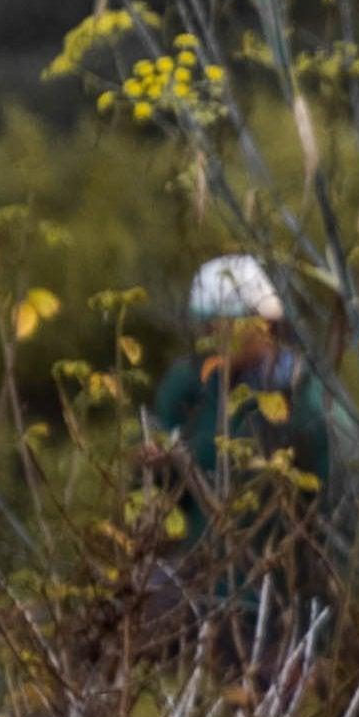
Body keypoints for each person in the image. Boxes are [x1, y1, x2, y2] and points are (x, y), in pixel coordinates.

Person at [145, 254, 335, 651]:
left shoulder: (302, 401)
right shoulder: (191, 388)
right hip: (203, 584)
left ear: (264, 325)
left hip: (274, 598)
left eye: (228, 324)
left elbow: (327, 517)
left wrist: (317, 640)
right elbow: (163, 502)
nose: (216, 335)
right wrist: (155, 468)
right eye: (209, 325)